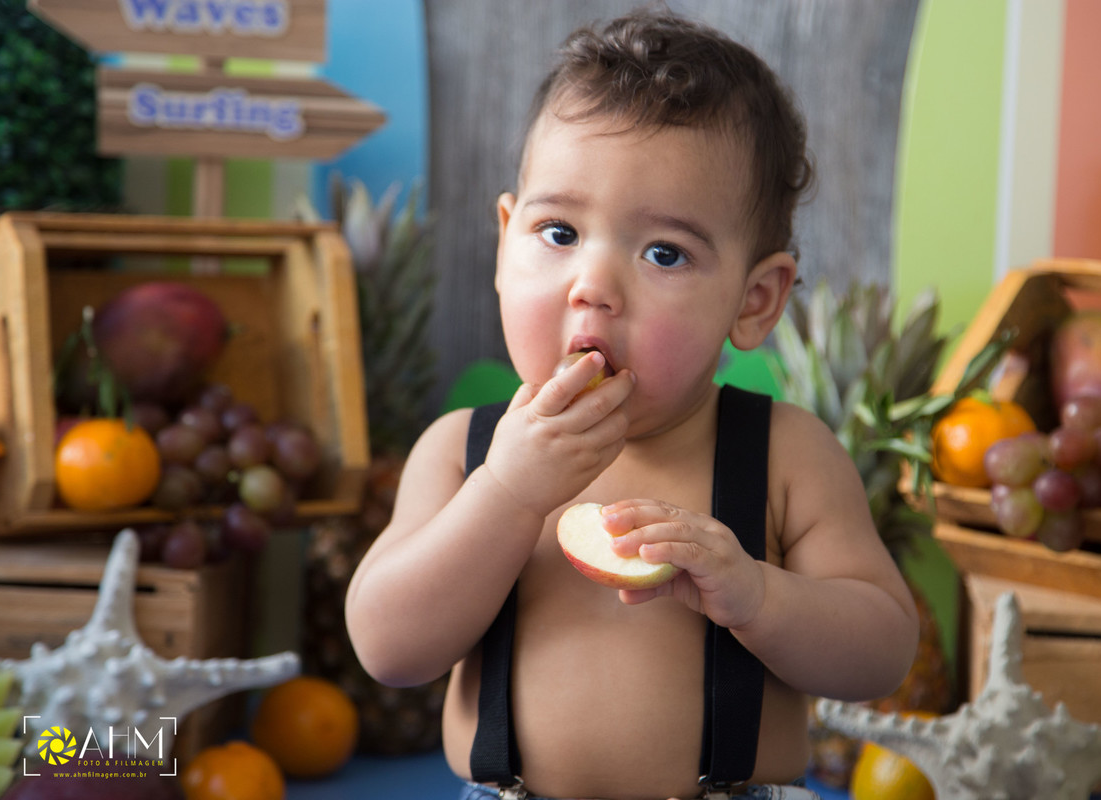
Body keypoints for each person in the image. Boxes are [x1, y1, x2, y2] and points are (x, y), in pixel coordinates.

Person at [345, 9, 918, 800]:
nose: (594, 287)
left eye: (663, 253)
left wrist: (757, 595)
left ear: (754, 300)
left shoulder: (785, 454)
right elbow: (388, 648)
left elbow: (882, 652)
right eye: (558, 232)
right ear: (505, 244)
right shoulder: (463, 450)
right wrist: (506, 494)